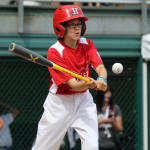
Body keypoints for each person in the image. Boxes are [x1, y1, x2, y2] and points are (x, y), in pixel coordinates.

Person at [32, 4, 107, 150]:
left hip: (83, 100)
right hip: (59, 103)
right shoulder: (55, 51)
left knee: (92, 146)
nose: (77, 28)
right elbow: (72, 84)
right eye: (72, 25)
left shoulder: (87, 44)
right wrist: (89, 84)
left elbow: (100, 67)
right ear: (61, 27)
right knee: (45, 147)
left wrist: (102, 80)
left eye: (79, 24)